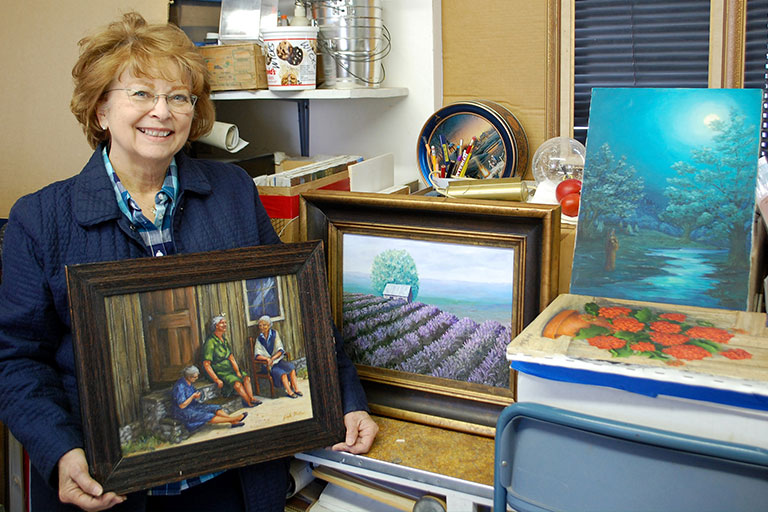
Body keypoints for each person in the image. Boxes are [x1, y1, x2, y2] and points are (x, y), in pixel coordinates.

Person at [0, 12, 378, 512]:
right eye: (141, 94)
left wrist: (345, 399)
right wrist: (60, 450)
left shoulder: (233, 192)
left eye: (179, 97)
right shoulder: (40, 219)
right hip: (111, 489)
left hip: (228, 486)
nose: (162, 112)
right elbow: (16, 360)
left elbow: (298, 308)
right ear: (99, 111)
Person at [203, 314, 261, 408]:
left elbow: (231, 357)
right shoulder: (210, 342)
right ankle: (248, 402)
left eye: (225, 323)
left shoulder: (224, 340)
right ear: (216, 326)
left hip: (229, 368)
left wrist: (237, 371)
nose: (225, 325)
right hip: (220, 371)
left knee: (246, 378)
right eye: (222, 323)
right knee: (237, 384)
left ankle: (251, 398)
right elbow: (206, 364)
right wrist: (216, 379)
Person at [172, 365, 247, 431]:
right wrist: (192, 397)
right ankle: (234, 419)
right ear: (189, 377)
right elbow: (182, 405)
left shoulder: (189, 383)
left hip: (194, 406)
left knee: (214, 407)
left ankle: (233, 422)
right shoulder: (180, 386)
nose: (197, 378)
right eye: (195, 377)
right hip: (183, 411)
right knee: (207, 416)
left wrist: (198, 395)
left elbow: (195, 395)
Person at [254, 316, 302, 399]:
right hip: (268, 365)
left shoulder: (274, 334)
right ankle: (289, 392)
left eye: (264, 325)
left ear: (269, 325)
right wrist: (267, 359)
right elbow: (257, 355)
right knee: (282, 373)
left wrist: (272, 358)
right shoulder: (259, 339)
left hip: (277, 360)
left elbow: (280, 350)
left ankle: (296, 389)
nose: (262, 327)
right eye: (260, 325)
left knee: (291, 368)